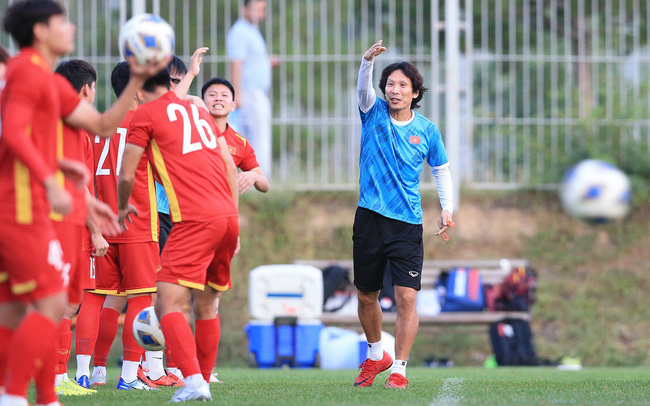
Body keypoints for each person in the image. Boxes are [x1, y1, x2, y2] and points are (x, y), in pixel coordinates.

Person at [117, 68, 238, 402]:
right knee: (207, 304)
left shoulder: (145, 114)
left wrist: (121, 207)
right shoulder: (198, 110)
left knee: (167, 302)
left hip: (193, 219)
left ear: (138, 89)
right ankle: (203, 382)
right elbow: (229, 166)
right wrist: (233, 219)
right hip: (227, 215)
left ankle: (194, 381)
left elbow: (126, 174)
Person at [353, 40, 454, 389]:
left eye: (402, 85)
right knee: (365, 296)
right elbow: (363, 89)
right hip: (369, 218)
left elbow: (441, 170)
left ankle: (399, 368)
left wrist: (447, 208)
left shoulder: (427, 130)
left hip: (407, 224)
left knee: (407, 297)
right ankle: (376, 353)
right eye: (390, 85)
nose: (394, 90)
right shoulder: (373, 112)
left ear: (415, 93)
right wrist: (367, 62)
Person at [77, 61, 178, 391]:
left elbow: (83, 177)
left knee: (96, 298)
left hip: (100, 224)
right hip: (138, 222)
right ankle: (130, 376)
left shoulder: (97, 124)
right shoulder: (145, 123)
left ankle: (88, 373)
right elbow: (165, 172)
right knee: (142, 297)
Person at [200, 76, 269, 381]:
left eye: (224, 95)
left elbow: (264, 183)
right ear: (202, 102)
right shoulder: (190, 134)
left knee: (212, 299)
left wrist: (253, 176)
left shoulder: (239, 143)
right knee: (180, 296)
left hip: (222, 228)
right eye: (211, 94)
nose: (218, 98)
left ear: (233, 104)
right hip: (185, 221)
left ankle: (205, 369)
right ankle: (172, 367)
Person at [51, 59, 110, 397]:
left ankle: (54, 376)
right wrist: (96, 230)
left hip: (49, 221)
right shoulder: (75, 127)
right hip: (67, 225)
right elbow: (79, 185)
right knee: (67, 303)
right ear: (87, 89)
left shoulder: (52, 120)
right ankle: (57, 378)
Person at [227, 0, 277, 176]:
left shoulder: (252, 31)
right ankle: (259, 177)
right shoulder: (240, 31)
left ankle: (255, 176)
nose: (260, 14)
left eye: (263, 10)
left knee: (256, 135)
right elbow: (236, 63)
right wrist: (237, 94)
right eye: (257, 9)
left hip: (256, 92)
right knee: (258, 137)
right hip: (249, 93)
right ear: (245, 9)